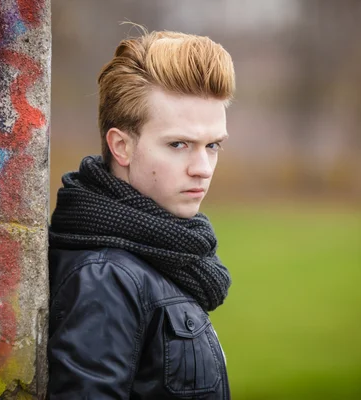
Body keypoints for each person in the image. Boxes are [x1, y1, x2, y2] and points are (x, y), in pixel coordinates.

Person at [47, 28, 235, 399]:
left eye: (212, 145)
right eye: (179, 144)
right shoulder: (106, 277)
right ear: (121, 146)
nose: (203, 167)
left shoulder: (162, 251)